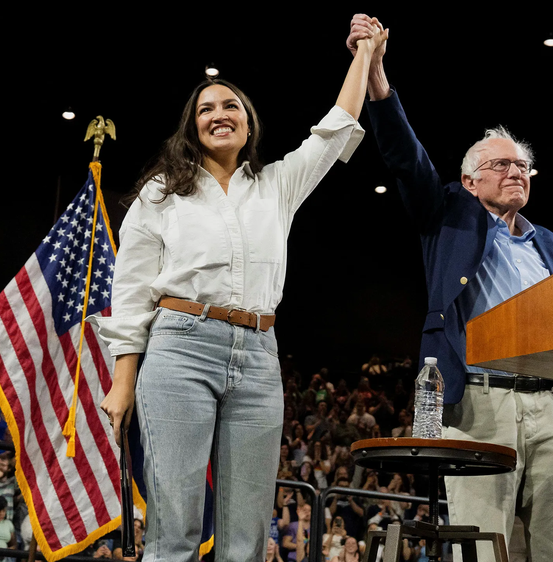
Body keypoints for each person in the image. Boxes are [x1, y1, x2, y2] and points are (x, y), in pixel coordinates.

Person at [94, 23, 388, 561]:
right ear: (192, 126)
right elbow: (131, 290)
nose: (219, 114)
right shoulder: (161, 194)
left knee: (246, 538)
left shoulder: (277, 185)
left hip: (258, 359)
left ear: (248, 122)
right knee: (174, 528)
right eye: (206, 108)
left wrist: (365, 53)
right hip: (178, 350)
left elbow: (336, 128)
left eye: (230, 105)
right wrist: (122, 381)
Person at [348, 14, 553, 561]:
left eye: (523, 167)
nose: (516, 172)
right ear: (470, 180)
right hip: (478, 402)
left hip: (552, 407)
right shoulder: (447, 213)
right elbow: (404, 155)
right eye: (500, 165)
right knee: (488, 548)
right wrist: (377, 74)